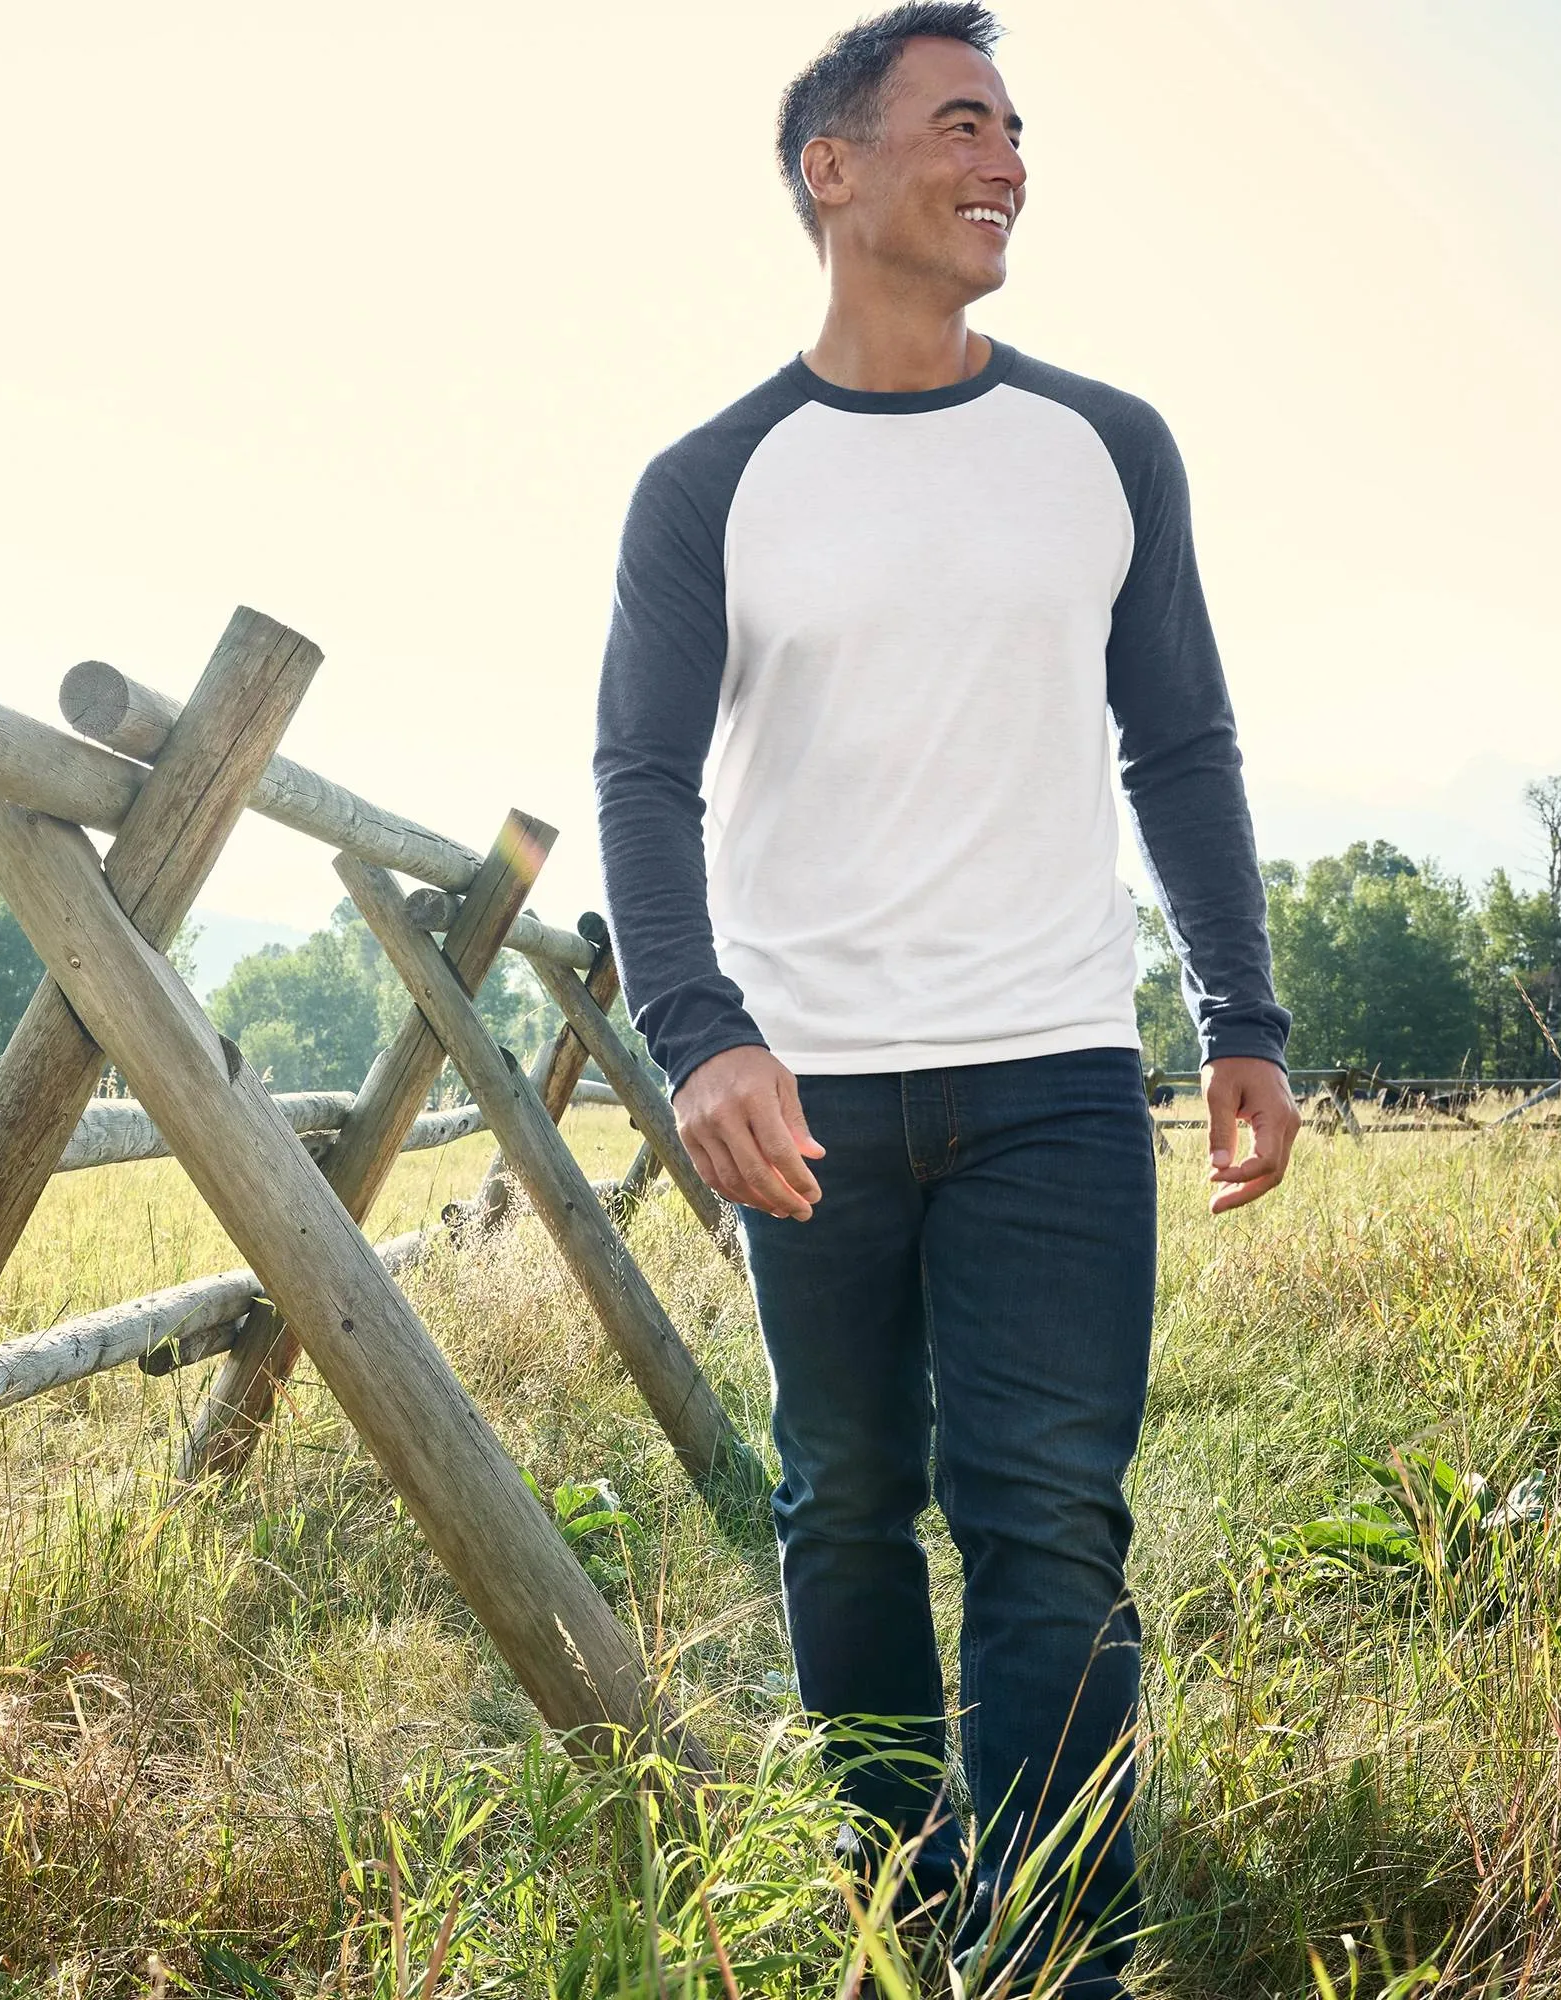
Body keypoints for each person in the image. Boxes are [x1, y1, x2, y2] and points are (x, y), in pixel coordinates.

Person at [590, 5, 1302, 1988]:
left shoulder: (1105, 447)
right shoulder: (708, 481)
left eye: (1015, 127)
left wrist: (1239, 1014)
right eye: (958, 121)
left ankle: (1061, 1950)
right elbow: (642, 777)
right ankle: (911, 1913)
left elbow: (1182, 740)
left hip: (1060, 1081)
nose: (1004, 156)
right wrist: (697, 1028)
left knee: (1048, 1517)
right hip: (807, 1098)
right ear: (833, 169)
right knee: (843, 1513)